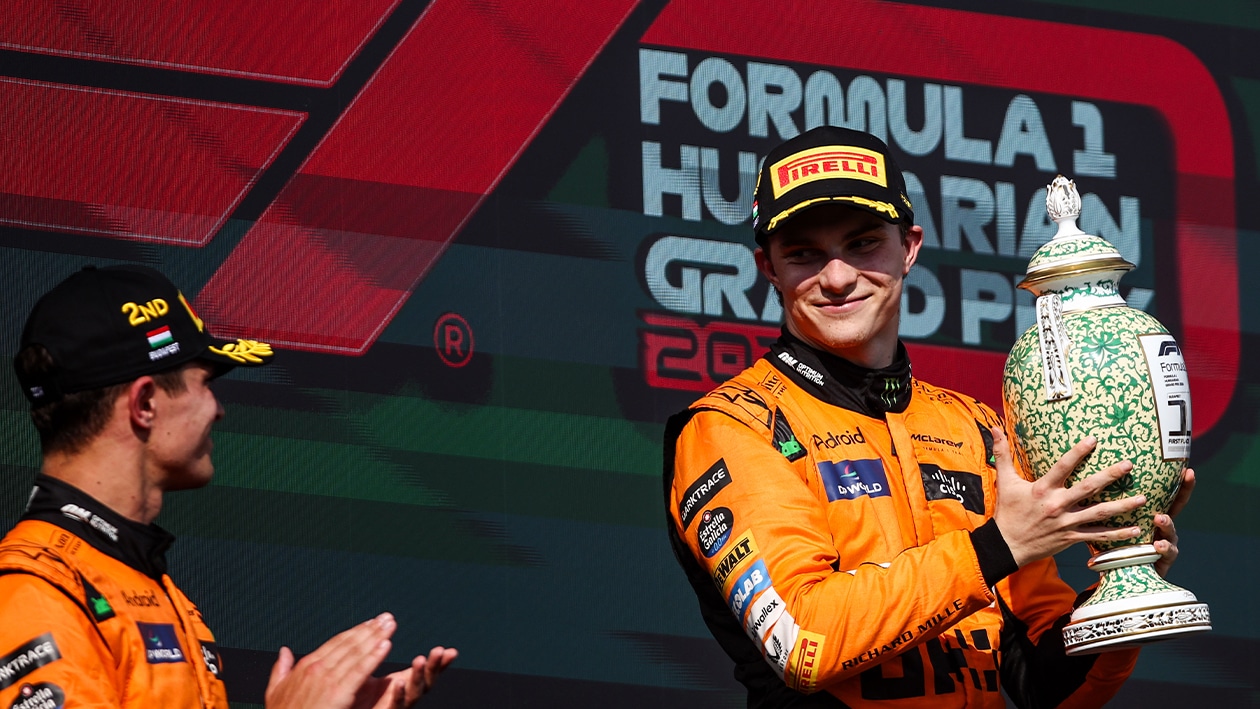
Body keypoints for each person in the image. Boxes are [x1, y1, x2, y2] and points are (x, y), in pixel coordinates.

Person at [663, 126, 1193, 708]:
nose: (837, 278)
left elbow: (1044, 685)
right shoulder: (733, 426)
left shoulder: (971, 427)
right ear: (769, 267)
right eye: (804, 254)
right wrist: (994, 548)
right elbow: (802, 640)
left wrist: (1121, 595)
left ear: (910, 246)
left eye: (863, 244)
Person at [0, 265, 457, 709]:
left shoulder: (147, 584)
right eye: (206, 382)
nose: (218, 410)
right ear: (144, 403)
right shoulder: (36, 592)